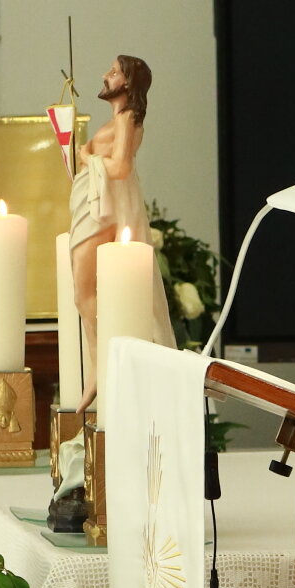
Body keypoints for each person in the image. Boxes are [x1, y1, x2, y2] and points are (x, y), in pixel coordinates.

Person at [69, 52, 175, 402]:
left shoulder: (128, 118)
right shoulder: (115, 119)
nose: (106, 75)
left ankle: (101, 363)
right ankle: (100, 362)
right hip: (92, 203)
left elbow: (121, 167)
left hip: (106, 210)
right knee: (85, 292)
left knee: (85, 292)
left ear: (127, 82)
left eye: (113, 72)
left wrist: (88, 158)